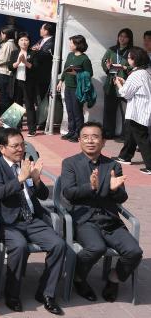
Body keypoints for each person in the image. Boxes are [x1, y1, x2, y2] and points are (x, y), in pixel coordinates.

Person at [60, 122, 143, 302]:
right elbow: (68, 193)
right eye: (85, 137)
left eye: (95, 137)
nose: (90, 141)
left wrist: (114, 190)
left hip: (110, 219)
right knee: (96, 247)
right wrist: (90, 187)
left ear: (103, 141)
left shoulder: (113, 165)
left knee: (134, 251)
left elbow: (122, 198)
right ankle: (78, 277)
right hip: (84, 220)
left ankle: (114, 278)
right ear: (80, 141)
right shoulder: (70, 163)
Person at [0, 128, 65, 314]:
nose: (20, 149)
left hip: (32, 218)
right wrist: (21, 179)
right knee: (19, 246)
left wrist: (36, 180)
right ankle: (12, 294)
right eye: (15, 146)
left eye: (22, 145)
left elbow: (44, 195)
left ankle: (46, 293)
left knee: (58, 245)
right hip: (8, 222)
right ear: (2, 148)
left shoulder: (25, 164)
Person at [113, 47, 151, 172]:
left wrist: (119, 84)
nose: (128, 59)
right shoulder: (145, 72)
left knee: (142, 138)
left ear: (135, 59)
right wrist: (125, 82)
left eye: (129, 57)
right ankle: (125, 157)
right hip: (140, 110)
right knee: (132, 134)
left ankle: (150, 166)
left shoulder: (136, 74)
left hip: (138, 111)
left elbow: (125, 93)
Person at [57, 35, 93, 142]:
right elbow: (65, 69)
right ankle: (71, 131)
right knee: (69, 110)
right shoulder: (70, 55)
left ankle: (78, 133)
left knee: (77, 111)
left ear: (77, 44)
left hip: (77, 88)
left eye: (72, 43)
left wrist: (76, 73)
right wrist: (61, 80)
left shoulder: (84, 58)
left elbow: (89, 73)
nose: (70, 45)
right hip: (68, 87)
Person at [101, 28, 133, 139]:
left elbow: (135, 65)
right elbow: (104, 61)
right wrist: (108, 65)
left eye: (125, 36)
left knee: (126, 112)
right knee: (109, 110)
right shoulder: (112, 50)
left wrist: (125, 67)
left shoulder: (132, 51)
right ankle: (108, 132)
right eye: (121, 36)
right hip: (111, 83)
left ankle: (126, 135)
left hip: (125, 83)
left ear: (129, 39)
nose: (122, 38)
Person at [30, 23, 55, 132]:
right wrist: (35, 50)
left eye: (41, 28)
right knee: (36, 99)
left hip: (44, 75)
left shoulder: (52, 42)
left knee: (43, 99)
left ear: (46, 31)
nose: (40, 30)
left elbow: (44, 55)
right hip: (35, 74)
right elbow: (32, 49)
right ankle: (38, 119)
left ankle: (43, 120)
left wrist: (37, 50)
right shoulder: (41, 41)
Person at [12, 32, 38, 136]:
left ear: (29, 42)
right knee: (17, 104)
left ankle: (32, 129)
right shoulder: (14, 52)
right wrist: (18, 62)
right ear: (18, 42)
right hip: (17, 81)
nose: (24, 42)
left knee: (29, 105)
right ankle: (17, 127)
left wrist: (25, 62)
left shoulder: (33, 53)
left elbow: (35, 68)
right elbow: (10, 66)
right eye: (22, 40)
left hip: (28, 83)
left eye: (26, 40)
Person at [0, 26, 18, 108]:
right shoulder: (13, 43)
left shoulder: (8, 44)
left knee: (3, 96)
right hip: (8, 73)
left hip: (4, 73)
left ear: (6, 34)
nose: (1, 36)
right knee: (7, 96)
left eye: (2, 34)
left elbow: (2, 60)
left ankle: (4, 116)